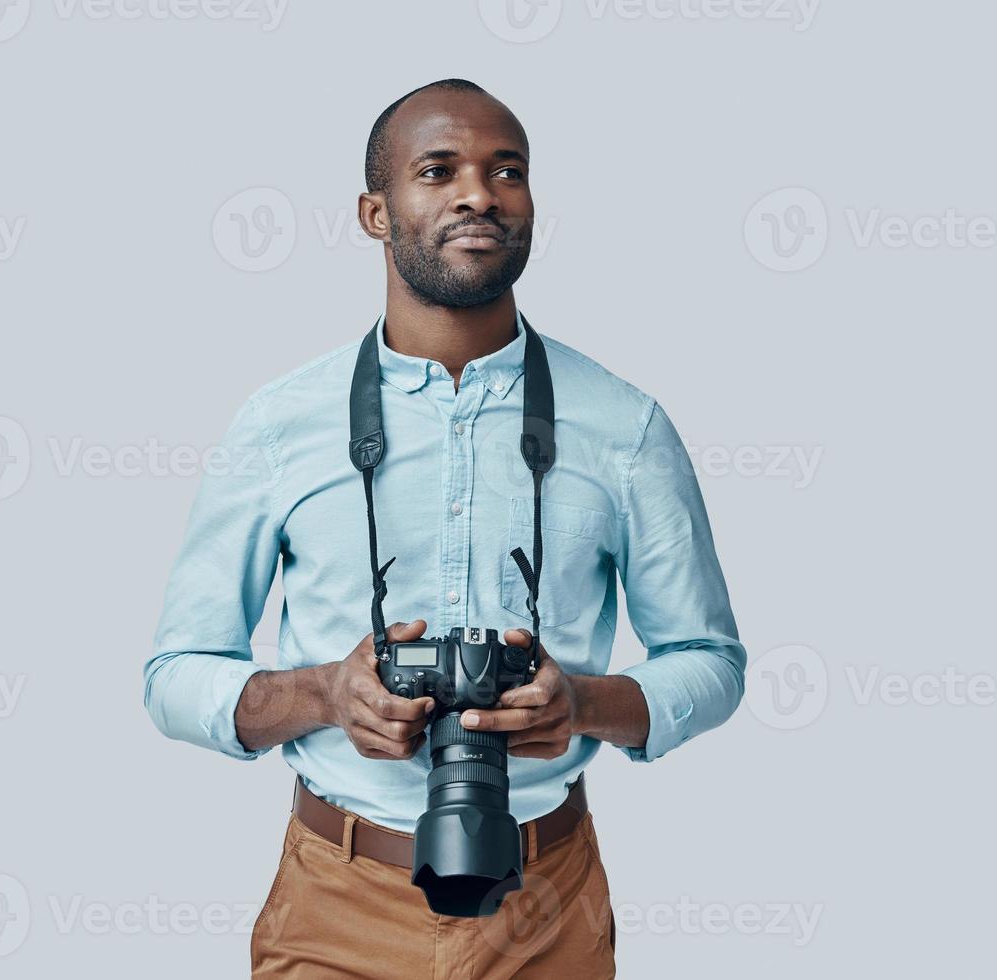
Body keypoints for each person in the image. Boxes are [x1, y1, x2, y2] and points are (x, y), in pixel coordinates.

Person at [143, 78, 746, 978]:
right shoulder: (277, 425)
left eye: (509, 171)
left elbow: (711, 659)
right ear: (374, 213)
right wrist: (326, 694)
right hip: (334, 898)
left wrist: (582, 705)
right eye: (439, 171)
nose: (480, 194)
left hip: (549, 902)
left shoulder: (627, 425)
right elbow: (173, 675)